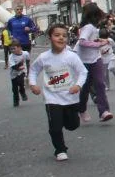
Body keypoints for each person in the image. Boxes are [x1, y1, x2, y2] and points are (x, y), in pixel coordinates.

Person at [29, 24, 88, 161]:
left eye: (64, 36)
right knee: (55, 127)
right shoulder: (44, 57)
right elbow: (33, 70)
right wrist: (33, 84)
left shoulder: (71, 57)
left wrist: (78, 85)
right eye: (57, 35)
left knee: (72, 125)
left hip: (70, 97)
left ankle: (67, 120)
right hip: (52, 98)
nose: (61, 38)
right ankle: (60, 150)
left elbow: (83, 72)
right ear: (50, 38)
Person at [75, 3, 113, 123]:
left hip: (96, 59)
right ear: (93, 15)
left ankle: (104, 111)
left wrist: (99, 40)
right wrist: (98, 44)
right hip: (84, 61)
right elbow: (82, 42)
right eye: (98, 15)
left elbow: (91, 40)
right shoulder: (88, 27)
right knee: (85, 87)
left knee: (100, 84)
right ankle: (81, 109)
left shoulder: (92, 27)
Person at [7, 42, 30, 107]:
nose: (12, 50)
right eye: (11, 49)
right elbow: (14, 67)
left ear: (20, 48)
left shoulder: (25, 53)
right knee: (14, 89)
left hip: (22, 72)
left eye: (14, 48)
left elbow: (28, 62)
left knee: (21, 83)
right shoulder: (11, 57)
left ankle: (22, 92)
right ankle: (16, 101)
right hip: (13, 74)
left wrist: (28, 71)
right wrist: (20, 65)